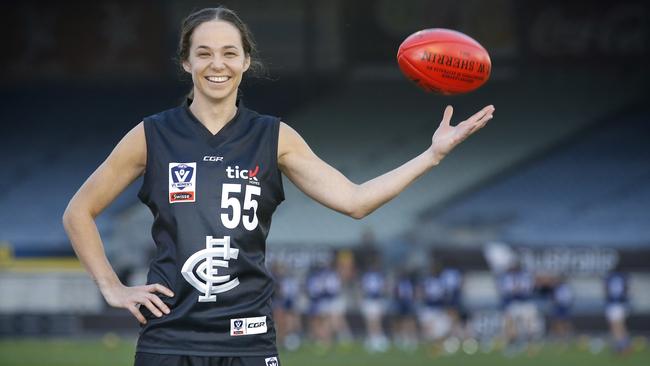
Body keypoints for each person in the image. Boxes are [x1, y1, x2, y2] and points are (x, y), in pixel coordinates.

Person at [61, 6, 495, 366]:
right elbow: (78, 212)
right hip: (170, 340)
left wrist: (432, 155)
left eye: (230, 53)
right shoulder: (151, 135)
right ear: (186, 62)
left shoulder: (274, 136)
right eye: (204, 53)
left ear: (246, 61)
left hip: (249, 339)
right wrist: (111, 287)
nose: (218, 64)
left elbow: (355, 201)